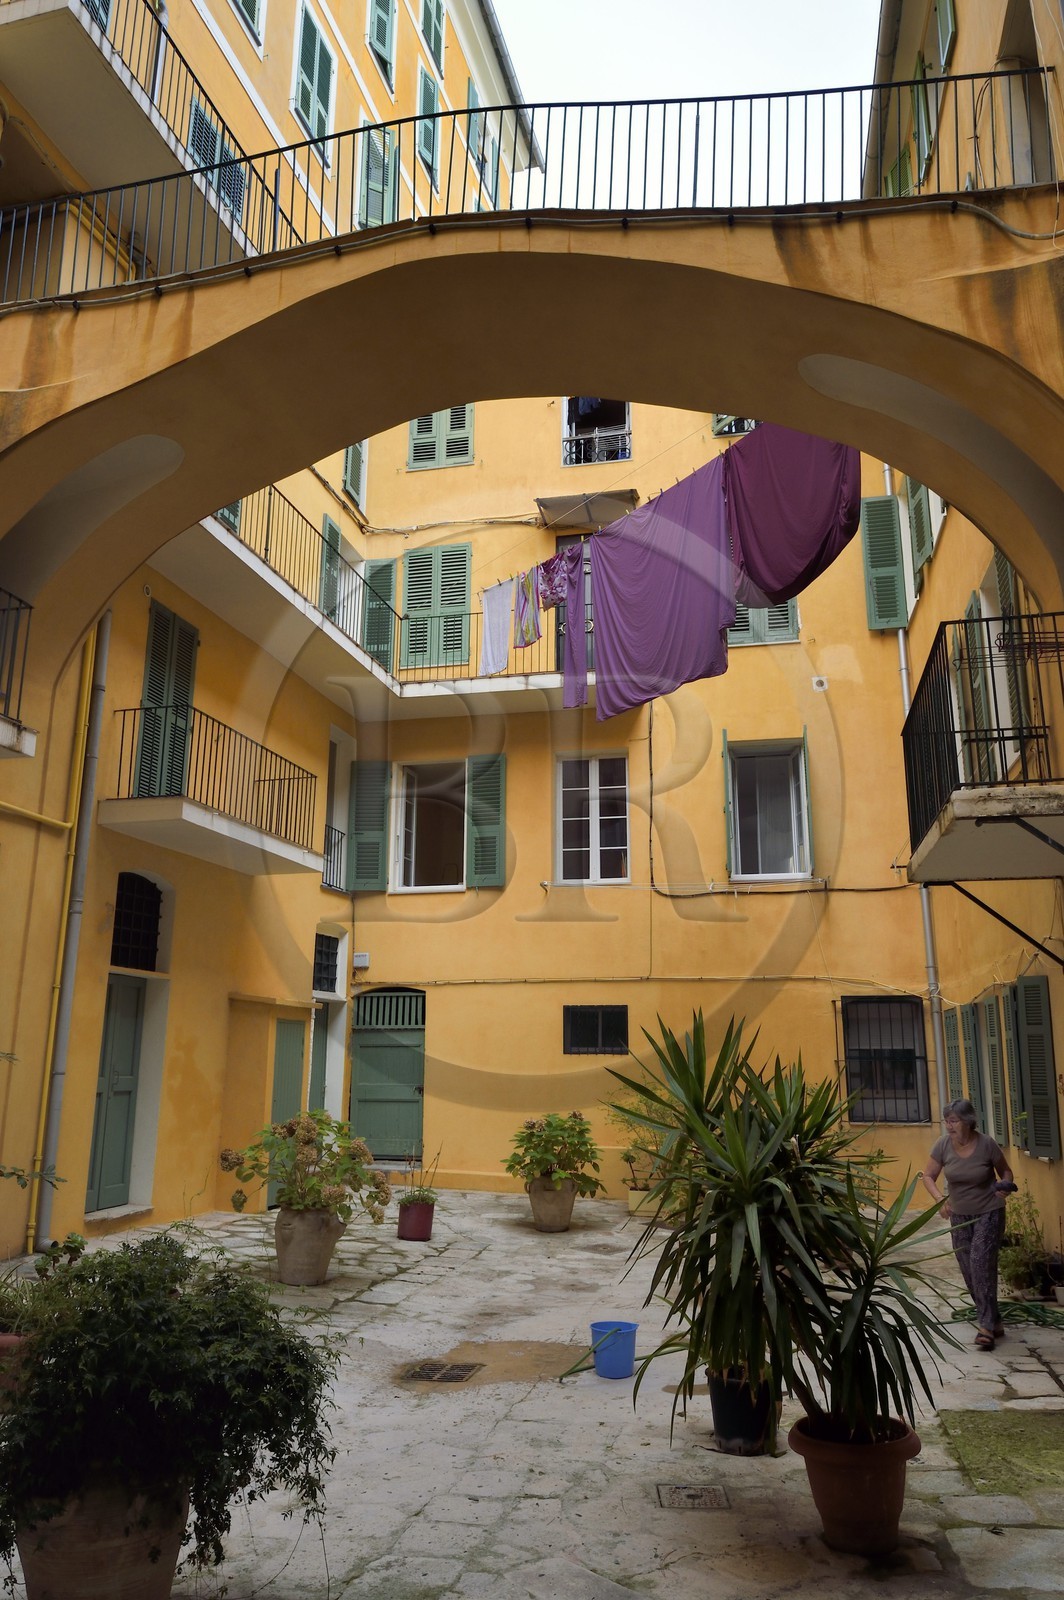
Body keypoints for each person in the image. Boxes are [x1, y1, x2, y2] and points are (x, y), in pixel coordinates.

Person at [922, 1098, 1015, 1351]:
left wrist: (1004, 1187)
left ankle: (985, 1327)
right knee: (968, 1268)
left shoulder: (986, 1144)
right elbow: (927, 1176)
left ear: (967, 1121)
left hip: (989, 1212)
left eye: (953, 1121)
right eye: (947, 1121)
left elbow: (1006, 1171)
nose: (949, 1126)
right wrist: (940, 1199)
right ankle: (994, 1320)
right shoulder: (942, 1145)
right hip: (960, 1215)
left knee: (980, 1262)